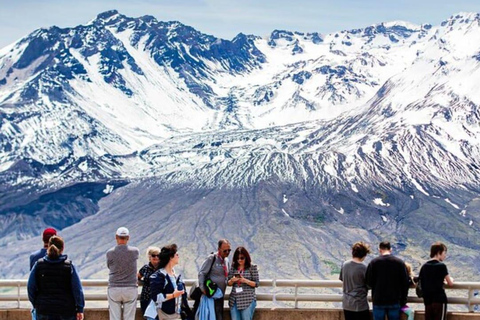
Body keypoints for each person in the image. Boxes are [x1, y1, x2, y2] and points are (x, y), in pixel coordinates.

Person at [27, 235, 85, 320]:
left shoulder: (38, 265)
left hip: (44, 310)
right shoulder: (69, 266)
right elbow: (77, 289)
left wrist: (37, 303)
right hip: (66, 310)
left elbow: (30, 287)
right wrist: (80, 308)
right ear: (62, 248)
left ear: (48, 247)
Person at [366, 241, 409, 320]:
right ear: (391, 249)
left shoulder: (373, 263)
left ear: (380, 250)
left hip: (378, 300)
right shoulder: (399, 263)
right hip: (394, 300)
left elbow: (368, 282)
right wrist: (403, 300)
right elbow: (405, 283)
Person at [106, 227, 139, 320]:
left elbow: (109, 266)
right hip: (130, 288)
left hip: (114, 288)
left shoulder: (110, 253)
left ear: (116, 237)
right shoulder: (135, 251)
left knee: (114, 317)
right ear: (128, 238)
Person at [419, 242, 454, 320]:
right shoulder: (441, 266)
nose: (445, 255)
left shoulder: (424, 266)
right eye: (444, 252)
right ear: (439, 252)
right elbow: (450, 283)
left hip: (427, 300)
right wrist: (451, 279)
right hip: (439, 300)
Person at [150, 244, 185, 320]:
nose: (178, 256)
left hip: (176, 314)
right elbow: (156, 297)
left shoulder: (176, 276)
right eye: (176, 254)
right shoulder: (159, 276)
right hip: (162, 315)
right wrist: (173, 295)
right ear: (171, 257)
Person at [198, 239, 231, 320]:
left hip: (220, 295)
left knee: (219, 316)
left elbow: (228, 275)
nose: (227, 252)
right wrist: (203, 288)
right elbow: (202, 273)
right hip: (211, 294)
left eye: (229, 250)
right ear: (219, 249)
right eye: (225, 250)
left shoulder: (226, 260)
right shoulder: (212, 258)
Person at [339, 241, 371, 320]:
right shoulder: (364, 268)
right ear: (364, 255)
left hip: (347, 304)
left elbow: (342, 278)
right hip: (360, 305)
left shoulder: (345, 265)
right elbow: (369, 285)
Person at [227, 246, 259, 320]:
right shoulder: (233, 267)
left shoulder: (252, 267)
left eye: (242, 258)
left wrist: (245, 280)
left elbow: (256, 283)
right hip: (234, 299)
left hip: (247, 299)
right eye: (237, 258)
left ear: (246, 257)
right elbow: (228, 283)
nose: (239, 260)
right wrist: (232, 280)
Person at [138, 246, 161, 315]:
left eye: (158, 255)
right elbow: (137, 277)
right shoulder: (145, 268)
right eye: (154, 255)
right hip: (146, 297)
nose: (156, 257)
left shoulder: (163, 268)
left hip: (159, 298)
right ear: (149, 257)